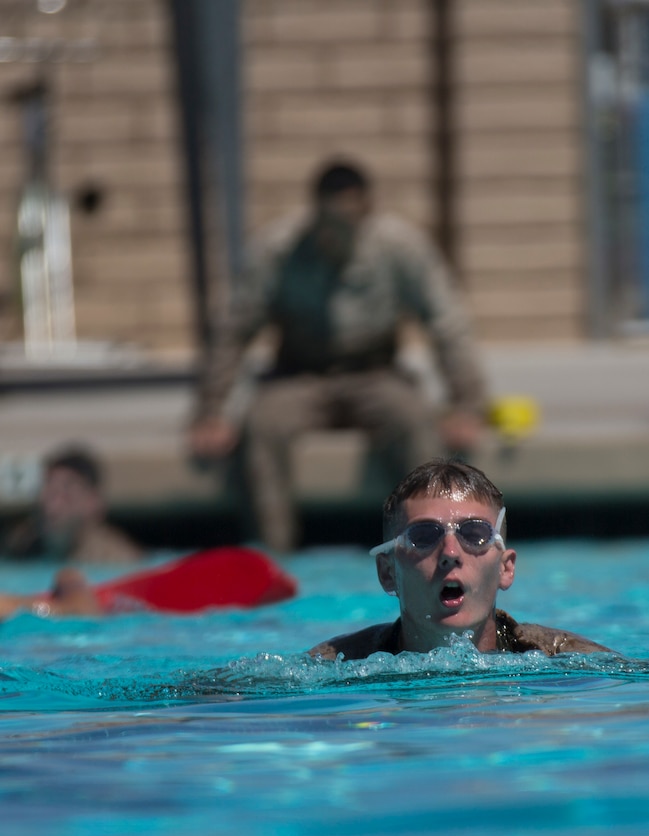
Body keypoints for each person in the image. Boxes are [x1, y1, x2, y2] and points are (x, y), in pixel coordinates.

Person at [188, 159, 489, 552]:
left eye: (349, 219)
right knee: (260, 427)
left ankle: (427, 548)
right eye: (330, 220)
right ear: (315, 212)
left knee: (416, 422)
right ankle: (272, 553)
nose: (337, 231)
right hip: (299, 376)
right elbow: (233, 330)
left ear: (367, 213)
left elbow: (446, 322)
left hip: (376, 374)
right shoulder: (279, 249)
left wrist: (466, 403)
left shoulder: (399, 246)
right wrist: (211, 411)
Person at [310, 458, 614, 659]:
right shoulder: (335, 662)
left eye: (475, 534)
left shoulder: (566, 658)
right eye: (424, 536)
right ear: (388, 572)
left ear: (505, 568)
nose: (451, 554)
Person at [2, 445, 142, 564]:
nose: (53, 509)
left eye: (66, 496)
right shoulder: (24, 544)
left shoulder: (118, 560)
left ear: (94, 502)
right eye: (49, 495)